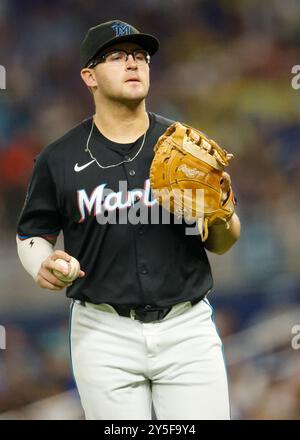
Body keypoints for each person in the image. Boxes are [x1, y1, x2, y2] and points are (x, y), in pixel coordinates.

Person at [16, 20, 241, 420]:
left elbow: (222, 242)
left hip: (186, 328)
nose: (133, 64)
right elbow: (32, 232)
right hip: (104, 334)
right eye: (117, 57)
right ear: (90, 76)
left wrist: (220, 210)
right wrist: (43, 262)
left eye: (140, 56)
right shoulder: (59, 157)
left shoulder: (186, 147)